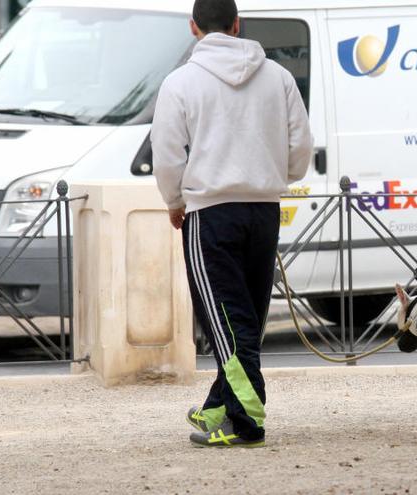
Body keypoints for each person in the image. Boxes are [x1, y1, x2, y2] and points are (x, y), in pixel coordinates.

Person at [151, 0, 313, 448]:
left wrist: (174, 200)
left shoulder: (181, 81)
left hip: (210, 211)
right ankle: (218, 408)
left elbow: (166, 153)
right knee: (245, 317)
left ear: (193, 28)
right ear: (238, 24)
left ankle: (247, 420)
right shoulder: (278, 76)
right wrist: (276, 177)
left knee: (226, 320)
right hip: (263, 209)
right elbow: (301, 143)